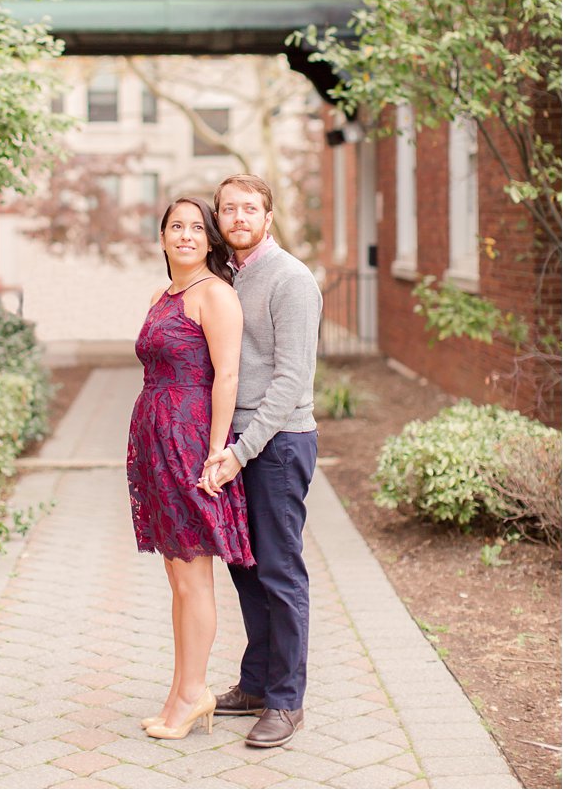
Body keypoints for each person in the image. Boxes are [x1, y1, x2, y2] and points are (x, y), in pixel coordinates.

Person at [200, 173, 321, 748]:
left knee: (279, 570)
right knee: (245, 569)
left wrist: (240, 452)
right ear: (219, 218)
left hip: (276, 444)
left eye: (251, 208)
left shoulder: (291, 280)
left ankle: (286, 700)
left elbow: (290, 380)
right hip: (238, 445)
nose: (239, 217)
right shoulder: (226, 277)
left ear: (268, 217)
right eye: (229, 209)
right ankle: (254, 683)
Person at [127, 196, 254, 741]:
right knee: (178, 577)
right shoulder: (162, 295)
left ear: (209, 241)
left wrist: (217, 452)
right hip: (156, 443)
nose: (185, 235)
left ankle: (193, 693)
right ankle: (181, 692)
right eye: (175, 226)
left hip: (189, 444)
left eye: (196, 228)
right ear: (161, 238)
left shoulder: (216, 295)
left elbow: (226, 377)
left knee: (194, 577)